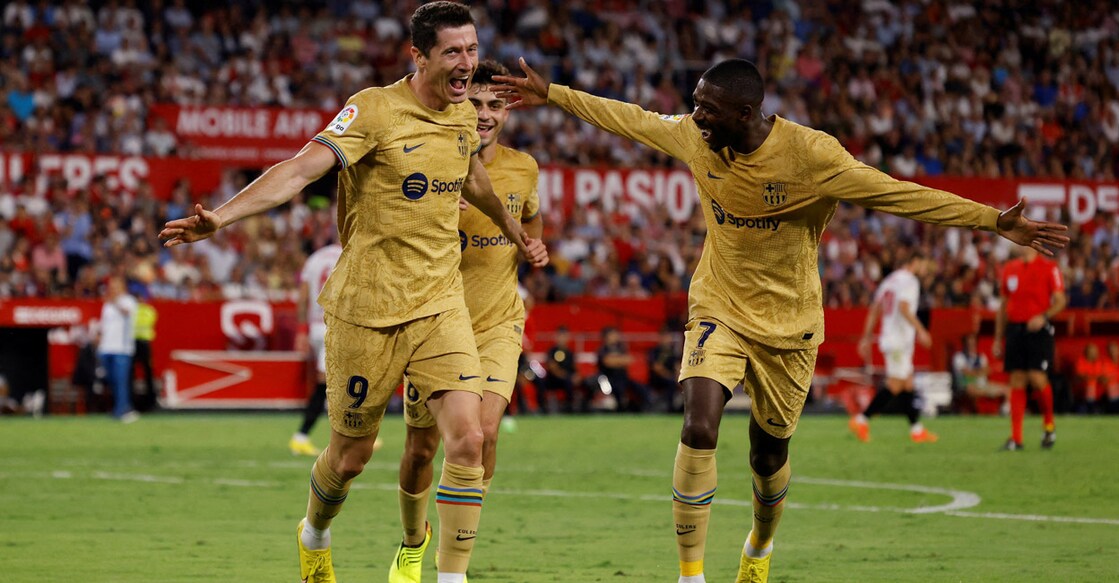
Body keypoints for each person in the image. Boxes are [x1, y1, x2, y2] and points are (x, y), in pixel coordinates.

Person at [493, 57, 1068, 583]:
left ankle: (759, 548)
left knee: (767, 457)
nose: (696, 117)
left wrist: (993, 221)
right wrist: (554, 94)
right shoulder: (697, 138)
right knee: (697, 426)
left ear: (746, 113)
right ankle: (690, 576)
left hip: (790, 326)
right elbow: (630, 119)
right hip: (718, 305)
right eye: (695, 104)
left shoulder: (812, 156)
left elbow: (897, 194)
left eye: (707, 108)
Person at [160, 4, 548, 582]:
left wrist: (516, 231)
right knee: (350, 458)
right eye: (453, 52)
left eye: (471, 49)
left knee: (468, 439)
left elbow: (474, 177)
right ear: (419, 57)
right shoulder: (374, 110)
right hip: (368, 310)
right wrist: (222, 216)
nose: (467, 64)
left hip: (440, 305)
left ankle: (450, 577)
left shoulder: (465, 115)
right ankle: (314, 533)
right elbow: (298, 171)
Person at [389, 59, 544, 583]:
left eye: (494, 104)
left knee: (482, 435)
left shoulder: (525, 168)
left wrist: (534, 246)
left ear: (509, 109)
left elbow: (529, 220)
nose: (483, 114)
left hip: (499, 322)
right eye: (474, 103)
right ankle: (414, 539)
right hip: (434, 323)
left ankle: (456, 556)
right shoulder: (430, 158)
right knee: (420, 450)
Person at [849, 252, 937, 443]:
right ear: (915, 262)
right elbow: (904, 308)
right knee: (895, 384)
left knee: (907, 384)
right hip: (898, 340)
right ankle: (861, 419)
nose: (924, 269)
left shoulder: (889, 281)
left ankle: (916, 430)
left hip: (892, 337)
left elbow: (874, 310)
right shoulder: (910, 281)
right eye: (923, 264)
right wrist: (921, 330)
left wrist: (866, 337)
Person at [993, 245, 1066, 450]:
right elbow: (1003, 305)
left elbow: (1061, 300)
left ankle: (1049, 426)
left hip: (1038, 329)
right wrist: (998, 337)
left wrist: (1043, 316)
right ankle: (1016, 438)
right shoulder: (1010, 268)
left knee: (1037, 377)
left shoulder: (1049, 267)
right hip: (1015, 329)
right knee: (1017, 379)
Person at [99, 275, 139, 423]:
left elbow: (127, 312)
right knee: (111, 380)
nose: (112, 288)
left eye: (115, 285)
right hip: (106, 347)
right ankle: (124, 407)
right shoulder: (107, 305)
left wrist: (114, 301)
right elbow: (104, 325)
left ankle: (121, 410)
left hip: (122, 348)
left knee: (121, 380)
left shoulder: (129, 300)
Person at [596, 325, 646, 412]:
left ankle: (642, 409)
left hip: (623, 378)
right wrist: (620, 361)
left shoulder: (621, 348)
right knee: (618, 389)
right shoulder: (602, 350)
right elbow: (607, 362)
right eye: (613, 334)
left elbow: (629, 360)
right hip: (608, 379)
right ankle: (620, 409)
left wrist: (615, 360)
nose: (616, 336)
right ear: (606, 336)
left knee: (641, 388)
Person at [950, 333, 1001, 414]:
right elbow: (967, 373)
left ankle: (1005, 411)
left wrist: (976, 372)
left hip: (982, 384)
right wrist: (980, 372)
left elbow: (987, 370)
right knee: (971, 388)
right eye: (969, 341)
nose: (971, 344)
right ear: (965, 343)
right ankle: (976, 410)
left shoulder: (981, 357)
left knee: (1006, 390)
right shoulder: (959, 357)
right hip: (965, 385)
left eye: (973, 341)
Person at [542, 325, 581, 413]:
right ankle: (567, 408)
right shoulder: (552, 351)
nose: (563, 338)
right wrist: (567, 376)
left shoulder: (570, 352)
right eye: (561, 336)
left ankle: (579, 407)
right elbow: (553, 368)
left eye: (565, 336)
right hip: (553, 380)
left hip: (568, 378)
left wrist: (577, 376)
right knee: (567, 382)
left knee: (580, 383)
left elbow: (575, 368)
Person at [130, 295, 158, 412]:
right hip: (134, 342)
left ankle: (150, 400)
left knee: (147, 372)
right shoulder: (146, 310)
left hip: (142, 343)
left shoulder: (146, 310)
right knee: (132, 373)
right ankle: (132, 400)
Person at [649, 326, 683, 412]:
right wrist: (669, 376)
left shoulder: (672, 352)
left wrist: (678, 378)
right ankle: (669, 408)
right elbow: (656, 367)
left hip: (670, 377)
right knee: (671, 383)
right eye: (665, 337)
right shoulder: (654, 351)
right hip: (657, 378)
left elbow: (677, 366)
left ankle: (682, 407)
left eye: (669, 337)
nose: (668, 339)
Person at [1073, 343, 1107, 413]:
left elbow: (1104, 378)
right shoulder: (1080, 361)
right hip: (1082, 396)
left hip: (1100, 396)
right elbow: (1081, 377)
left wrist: (1095, 378)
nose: (1094, 354)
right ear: (1086, 352)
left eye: (1095, 352)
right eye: (1091, 352)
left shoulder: (1101, 362)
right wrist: (1095, 378)